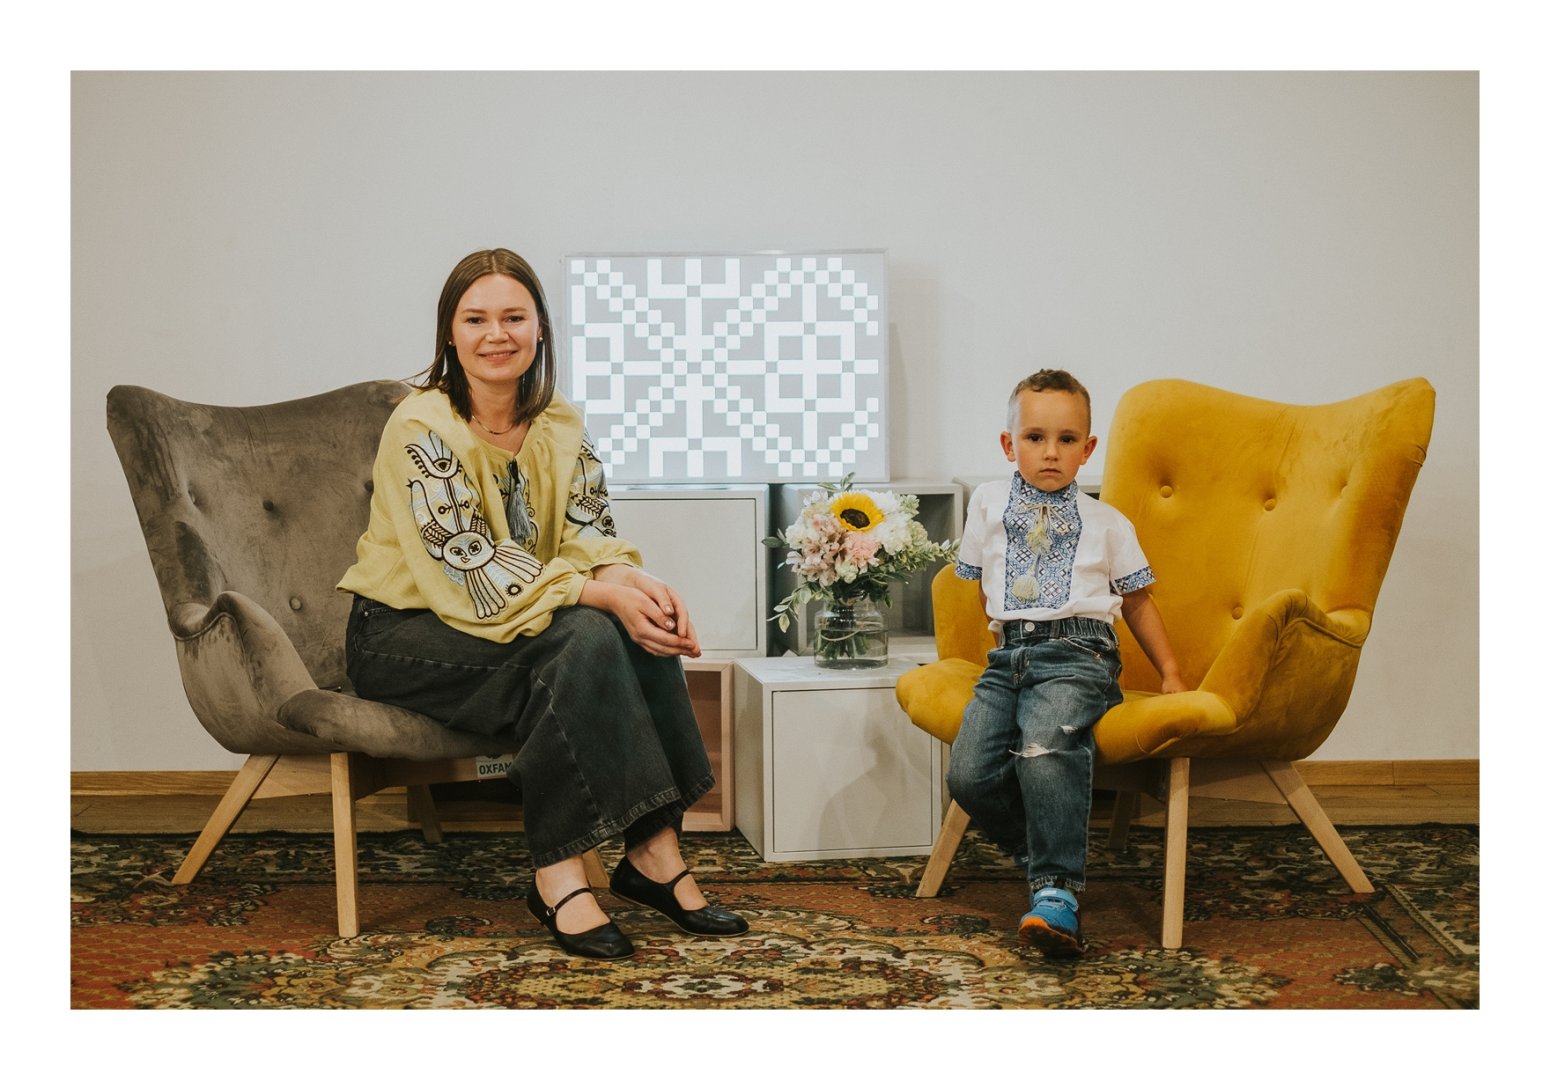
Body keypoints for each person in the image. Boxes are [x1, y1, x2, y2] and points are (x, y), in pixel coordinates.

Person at [338, 247, 747, 959]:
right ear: (450, 333)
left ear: (540, 328)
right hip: (402, 636)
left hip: (508, 625)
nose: (496, 335)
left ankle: (654, 851)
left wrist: (632, 582)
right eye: (476, 319)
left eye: (514, 317)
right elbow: (470, 565)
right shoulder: (419, 428)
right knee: (588, 632)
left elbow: (589, 531)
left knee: (632, 625)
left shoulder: (560, 421)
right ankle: (558, 875)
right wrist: (600, 595)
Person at [948, 369, 1186, 958]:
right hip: (1008, 655)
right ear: (1009, 445)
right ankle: (1040, 855)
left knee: (1045, 747)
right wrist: (1001, 639)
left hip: (1080, 653)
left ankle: (1057, 893)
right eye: (1035, 437)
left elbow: (1137, 601)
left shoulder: (1109, 523)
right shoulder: (987, 503)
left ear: (1088, 448)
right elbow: (981, 586)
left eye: (1067, 439)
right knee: (969, 775)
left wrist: (1171, 674)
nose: (1051, 452)